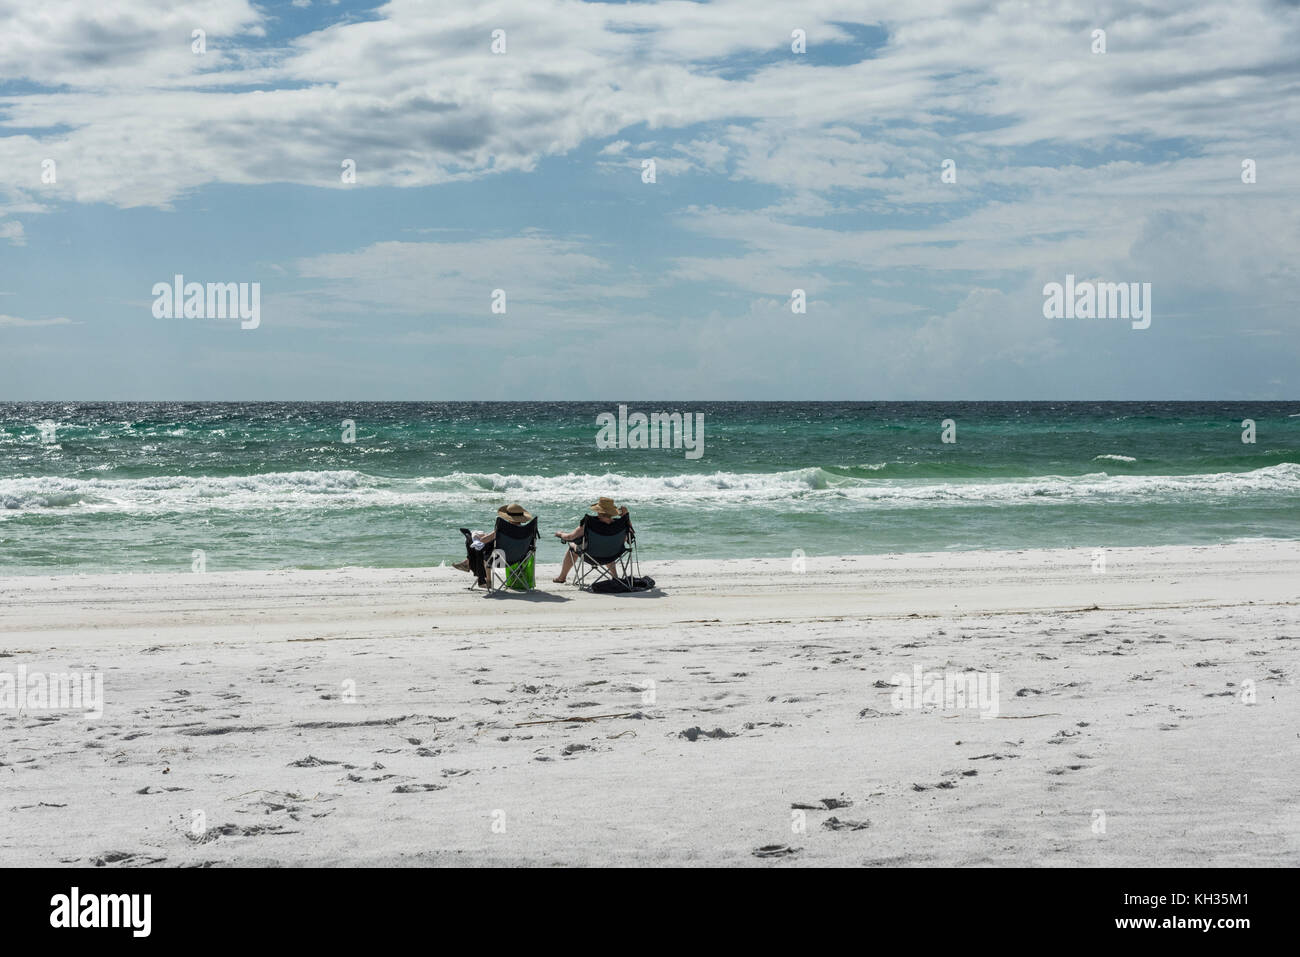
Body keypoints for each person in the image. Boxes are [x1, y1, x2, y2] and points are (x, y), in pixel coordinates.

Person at [553, 497, 629, 584]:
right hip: (612, 556)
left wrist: (560, 534)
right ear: (612, 512)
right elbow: (627, 538)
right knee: (608, 545)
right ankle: (615, 577)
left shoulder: (591, 523)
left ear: (598, 511)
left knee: (572, 546)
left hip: (591, 556)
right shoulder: (620, 525)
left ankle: (562, 577)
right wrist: (626, 516)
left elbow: (570, 537)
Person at [458, 503, 533, 588]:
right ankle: (469, 564)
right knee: (490, 545)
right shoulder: (527, 531)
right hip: (518, 560)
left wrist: (478, 537)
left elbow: (483, 541)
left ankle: (475, 570)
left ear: (508, 516)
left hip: (498, 561)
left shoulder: (503, 529)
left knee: (475, 543)